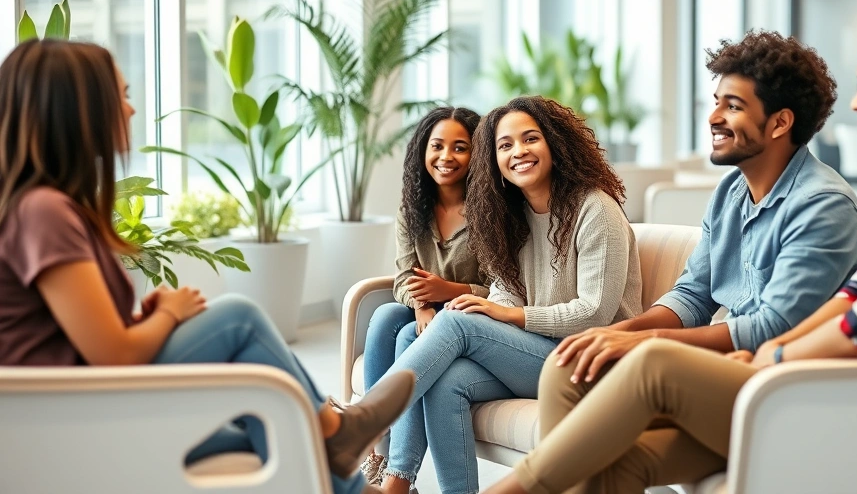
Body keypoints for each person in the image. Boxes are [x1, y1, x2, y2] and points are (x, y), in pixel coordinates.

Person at [483, 0, 857, 494]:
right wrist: (624, 336)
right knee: (595, 414)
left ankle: (517, 488)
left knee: (655, 365)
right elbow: (852, 298)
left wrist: (765, 358)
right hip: (843, 384)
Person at [0, 39, 414, 494]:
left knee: (278, 433)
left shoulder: (43, 209)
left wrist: (142, 318)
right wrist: (168, 314)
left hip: (80, 410)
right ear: (78, 112)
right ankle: (337, 430)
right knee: (239, 319)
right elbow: (112, 356)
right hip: (70, 424)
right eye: (121, 96)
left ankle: (341, 449)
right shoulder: (43, 211)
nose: (131, 110)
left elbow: (68, 341)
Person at [552, 29, 857, 387]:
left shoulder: (823, 206)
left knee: (631, 369)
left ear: (780, 122)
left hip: (784, 379)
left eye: (733, 106)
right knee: (568, 368)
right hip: (735, 363)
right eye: (716, 102)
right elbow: (693, 295)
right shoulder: (730, 193)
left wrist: (645, 341)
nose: (713, 117)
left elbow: (772, 326)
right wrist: (616, 333)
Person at [378, 96, 643, 494]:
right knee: (447, 380)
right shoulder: (512, 215)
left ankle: (370, 421)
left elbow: (595, 312)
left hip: (590, 361)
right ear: (494, 160)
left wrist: (506, 316)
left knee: (455, 321)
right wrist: (496, 308)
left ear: (555, 143)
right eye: (505, 145)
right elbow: (505, 290)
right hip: (538, 353)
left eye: (530, 139)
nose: (518, 151)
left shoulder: (596, 209)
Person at [360, 107, 489, 484]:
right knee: (386, 317)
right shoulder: (412, 209)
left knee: (404, 337)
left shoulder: (491, 211)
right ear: (423, 150)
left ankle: (400, 477)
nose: (446, 157)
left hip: (471, 313)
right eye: (437, 146)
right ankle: (377, 451)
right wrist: (421, 304)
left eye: (460, 147)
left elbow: (502, 288)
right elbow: (403, 277)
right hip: (424, 308)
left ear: (477, 154)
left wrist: (448, 291)